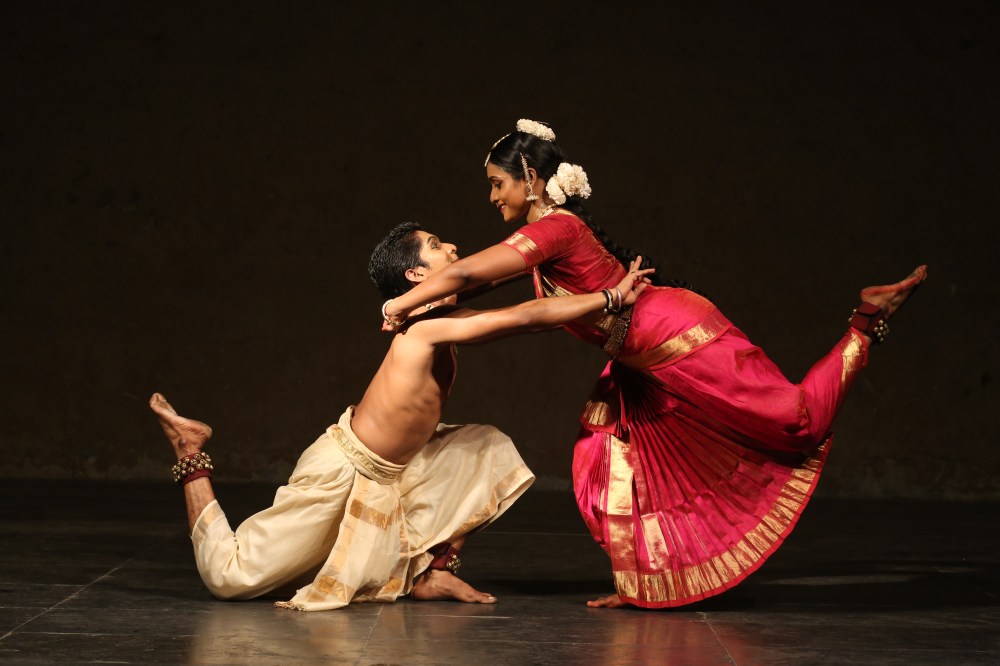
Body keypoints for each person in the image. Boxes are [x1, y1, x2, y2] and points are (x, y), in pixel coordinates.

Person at [380, 119, 928, 609]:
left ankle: (865, 321)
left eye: (497, 183)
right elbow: (475, 287)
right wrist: (422, 307)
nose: (493, 196)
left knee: (797, 420)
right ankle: (642, 584)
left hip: (674, 333)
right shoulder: (546, 235)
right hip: (636, 360)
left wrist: (399, 304)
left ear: (530, 178)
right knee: (601, 465)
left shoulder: (555, 228)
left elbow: (468, 275)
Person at [151, 221, 653, 611]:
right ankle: (190, 449)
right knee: (230, 578)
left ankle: (434, 572)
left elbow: (482, 281)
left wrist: (547, 255)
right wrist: (609, 298)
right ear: (416, 275)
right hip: (342, 472)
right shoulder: (424, 328)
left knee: (489, 448)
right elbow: (522, 318)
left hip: (400, 469)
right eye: (436, 246)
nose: (452, 247)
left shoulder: (429, 312)